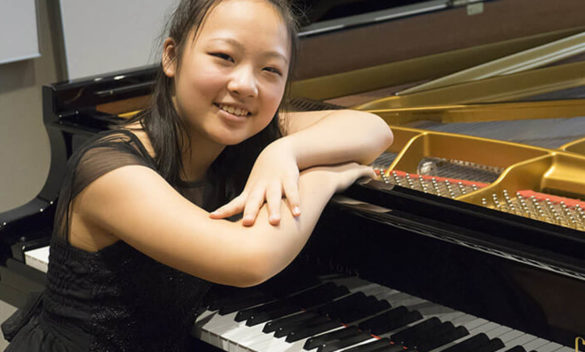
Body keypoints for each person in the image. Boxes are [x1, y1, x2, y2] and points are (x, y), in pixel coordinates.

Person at [2, 0, 393, 350]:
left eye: (270, 69)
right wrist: (325, 177)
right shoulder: (110, 169)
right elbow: (250, 260)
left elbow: (373, 129)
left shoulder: (243, 134)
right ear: (171, 57)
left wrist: (286, 151)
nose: (245, 85)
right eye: (224, 56)